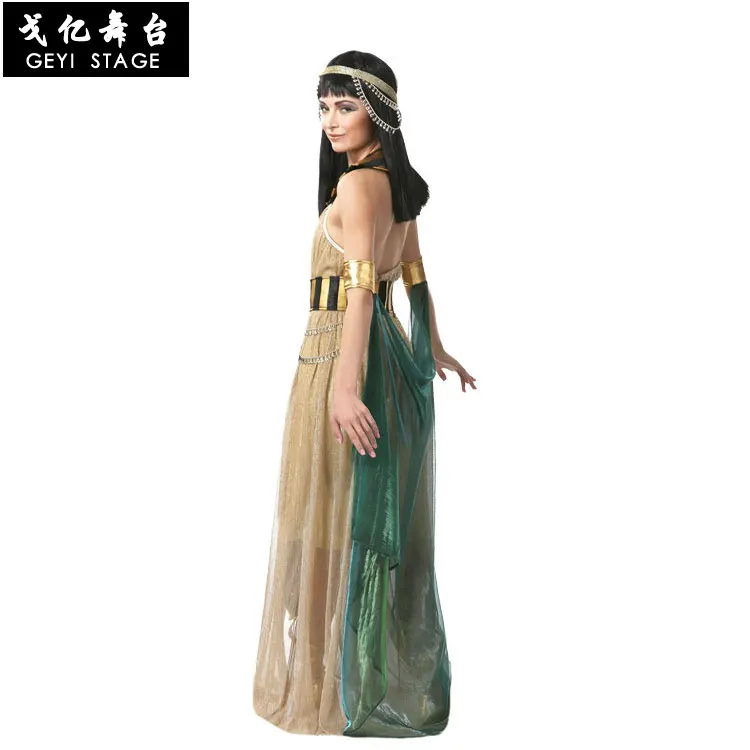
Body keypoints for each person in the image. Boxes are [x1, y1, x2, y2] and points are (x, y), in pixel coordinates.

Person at [252, 50, 477, 738]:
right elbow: (413, 275)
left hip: (335, 357)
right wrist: (432, 347)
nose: (331, 121)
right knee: (346, 513)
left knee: (323, 514)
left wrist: (344, 388)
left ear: (379, 112)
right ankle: (346, 679)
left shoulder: (355, 187)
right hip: (383, 354)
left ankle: (326, 692)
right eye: (323, 107)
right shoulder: (397, 186)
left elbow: (357, 295)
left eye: (345, 106)